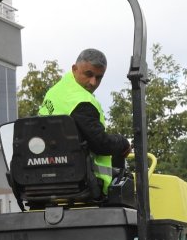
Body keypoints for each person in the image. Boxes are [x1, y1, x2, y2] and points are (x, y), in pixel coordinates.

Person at [38, 49, 131, 193]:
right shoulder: (82, 101)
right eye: (88, 74)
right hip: (82, 181)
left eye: (99, 77)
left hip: (44, 174)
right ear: (74, 69)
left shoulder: (56, 90)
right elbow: (101, 144)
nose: (93, 82)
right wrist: (123, 142)